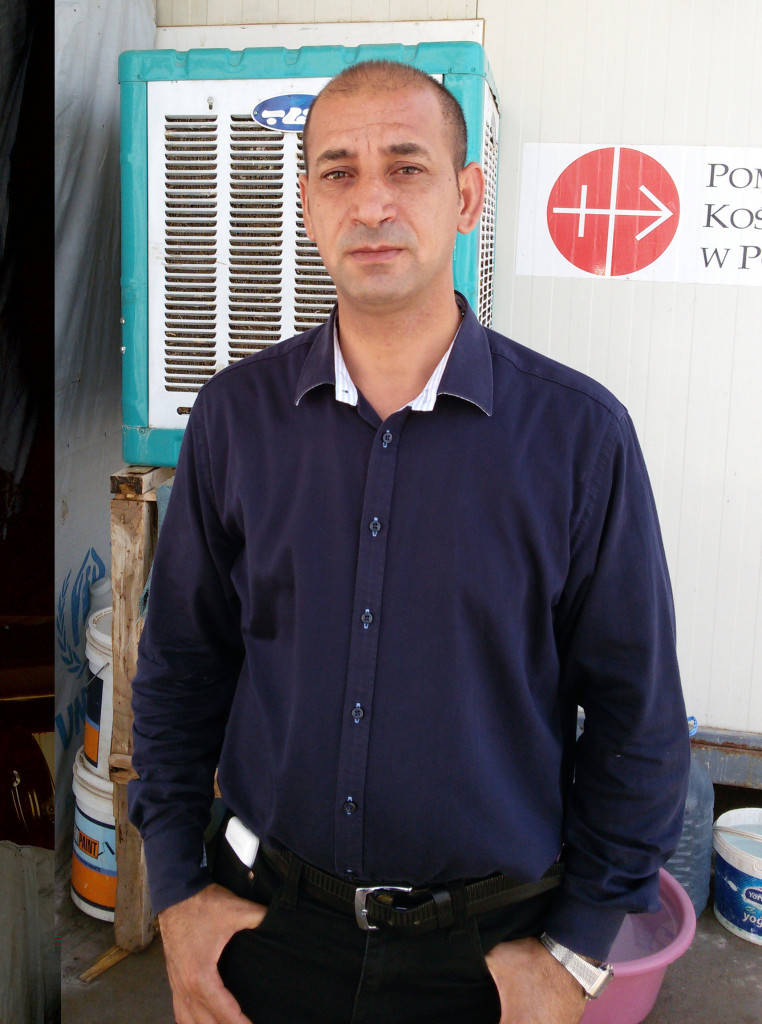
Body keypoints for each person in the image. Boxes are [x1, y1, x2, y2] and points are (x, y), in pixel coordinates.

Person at [128, 60, 690, 1024]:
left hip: (489, 960)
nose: (372, 201)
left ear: (468, 195)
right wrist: (175, 891)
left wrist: (578, 954)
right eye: (338, 171)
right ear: (306, 203)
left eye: (408, 166)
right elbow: (180, 672)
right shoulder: (235, 419)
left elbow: (639, 724)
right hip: (266, 937)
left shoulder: (578, 438)